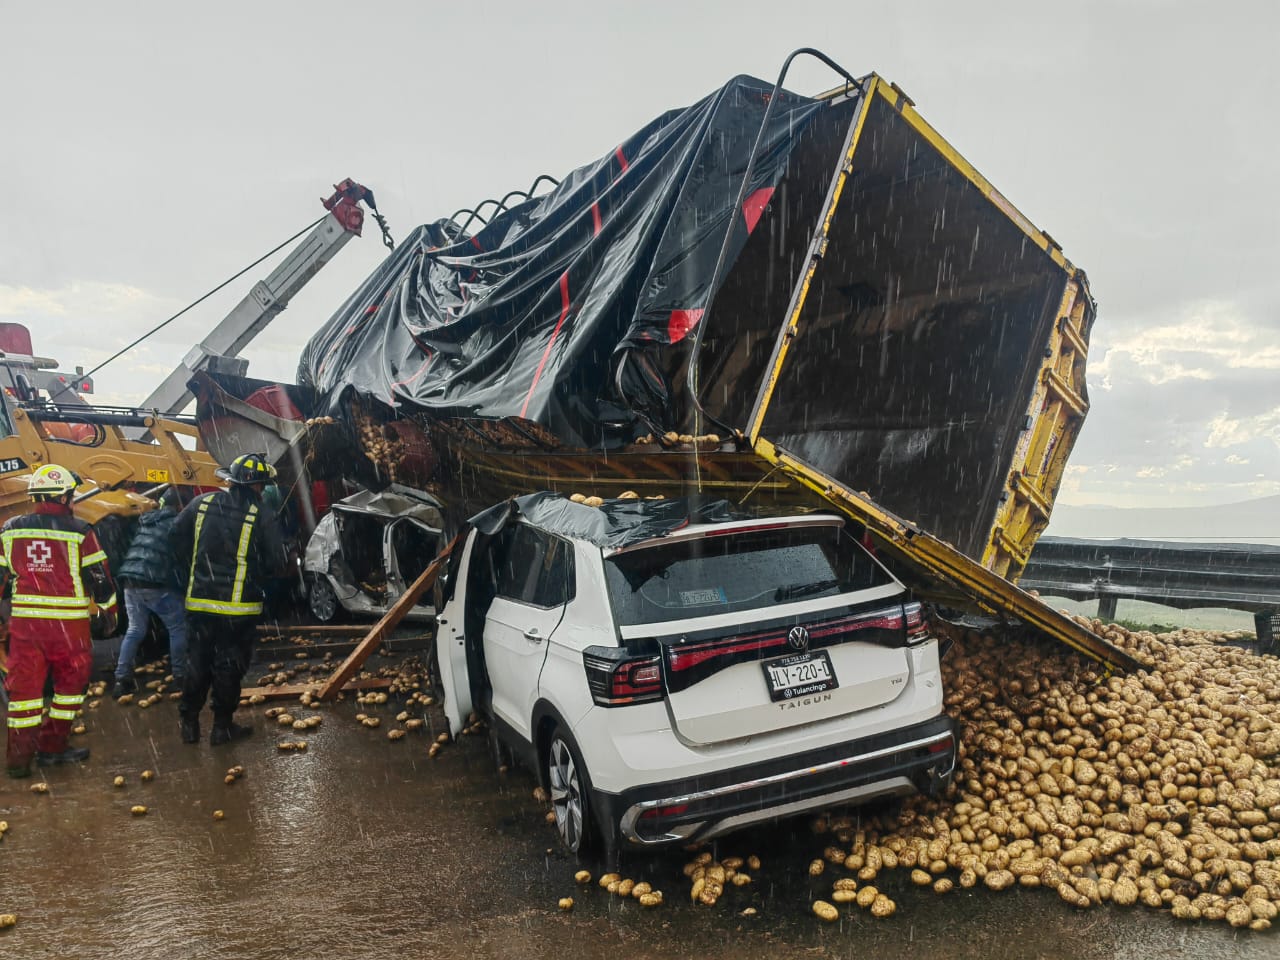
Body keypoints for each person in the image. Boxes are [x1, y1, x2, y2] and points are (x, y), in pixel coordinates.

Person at [2, 464, 118, 778]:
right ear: (64, 497)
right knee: (69, 689)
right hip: (68, 628)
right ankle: (52, 750)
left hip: (26, 626)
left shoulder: (9, 528)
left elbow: (1, 576)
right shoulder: (80, 530)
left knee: (23, 693)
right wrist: (109, 611)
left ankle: (18, 760)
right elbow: (98, 577)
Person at [174, 452, 289, 746]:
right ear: (259, 486)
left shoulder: (201, 504)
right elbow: (278, 560)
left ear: (231, 480)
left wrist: (195, 572)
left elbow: (175, 539)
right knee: (229, 666)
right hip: (239, 611)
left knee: (197, 662)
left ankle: (188, 724)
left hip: (199, 604)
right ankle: (222, 728)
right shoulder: (262, 514)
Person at [111, 487, 188, 698]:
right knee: (177, 626)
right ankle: (180, 677)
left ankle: (121, 680)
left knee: (135, 630)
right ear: (181, 506)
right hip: (155, 583)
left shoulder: (147, 522)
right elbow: (182, 559)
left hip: (130, 580)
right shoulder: (178, 523)